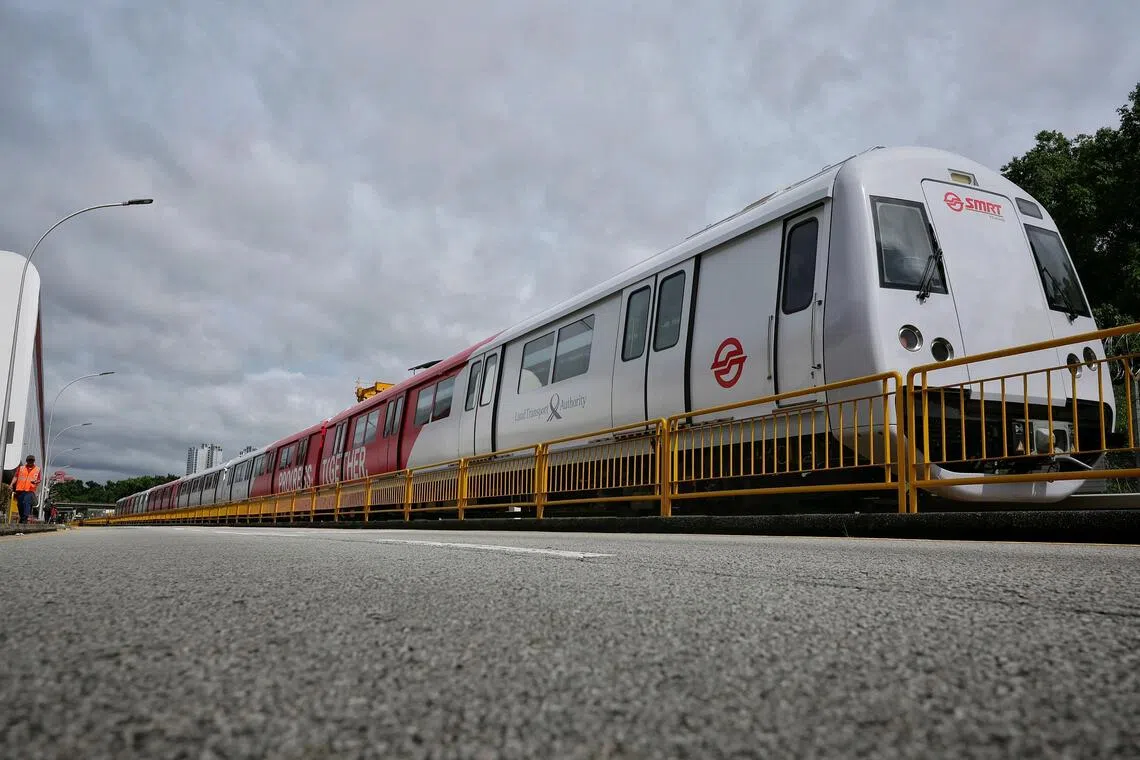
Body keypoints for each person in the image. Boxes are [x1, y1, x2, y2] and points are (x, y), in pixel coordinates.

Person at [13, 455, 41, 524]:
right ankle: (22, 517)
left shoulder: (37, 469)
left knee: (26, 502)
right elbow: (15, 477)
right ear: (27, 461)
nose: (30, 462)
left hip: (30, 490)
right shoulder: (21, 468)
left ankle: (25, 518)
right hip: (20, 489)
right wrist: (11, 485)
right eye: (29, 460)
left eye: (32, 460)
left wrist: (36, 482)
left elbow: (39, 479)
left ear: (34, 461)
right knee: (20, 505)